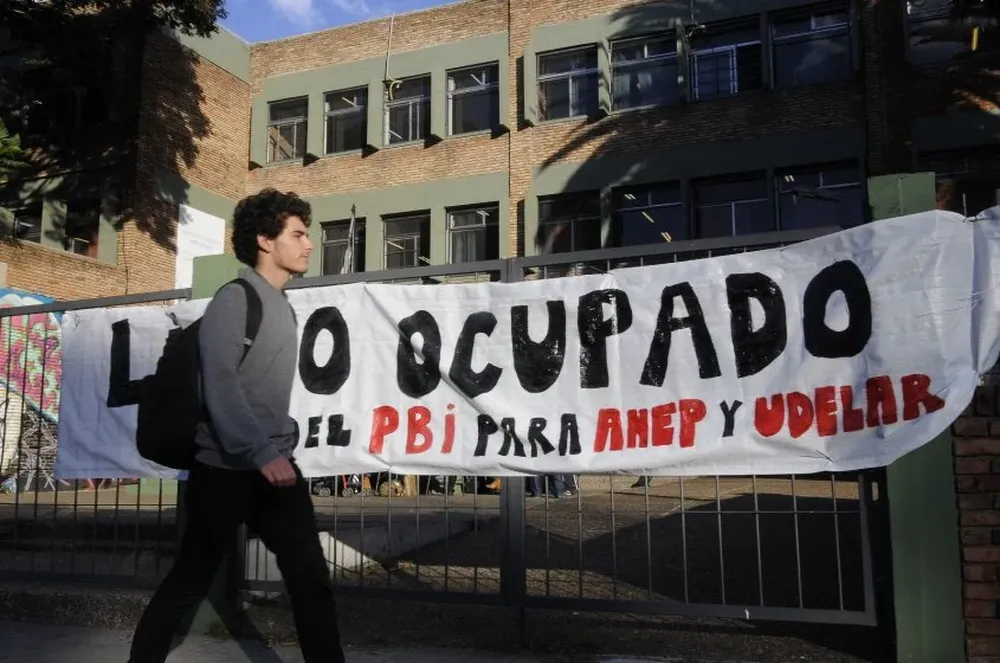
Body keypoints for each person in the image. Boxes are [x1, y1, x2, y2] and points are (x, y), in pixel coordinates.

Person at [128, 188, 345, 663]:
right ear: (266, 241)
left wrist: (277, 446)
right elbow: (221, 386)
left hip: (273, 469)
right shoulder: (235, 299)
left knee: (311, 581)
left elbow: (259, 391)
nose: (309, 244)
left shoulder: (283, 305)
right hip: (224, 470)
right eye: (299, 234)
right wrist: (261, 451)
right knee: (190, 580)